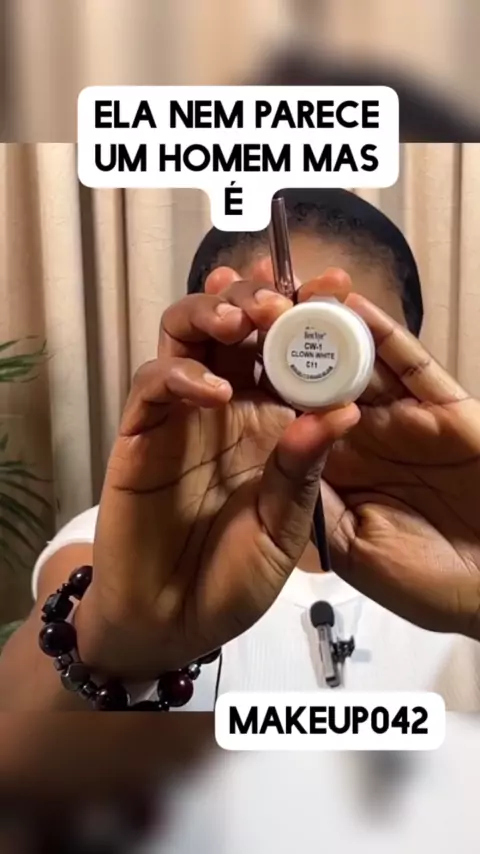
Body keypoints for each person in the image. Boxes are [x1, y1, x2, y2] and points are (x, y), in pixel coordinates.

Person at [2, 188, 480, 713]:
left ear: (406, 349)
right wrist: (120, 637)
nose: (310, 393)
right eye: (273, 351)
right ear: (207, 356)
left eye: (349, 346)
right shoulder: (134, 538)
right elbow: (14, 742)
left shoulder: (457, 532)